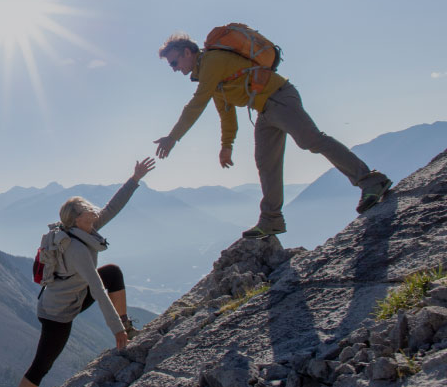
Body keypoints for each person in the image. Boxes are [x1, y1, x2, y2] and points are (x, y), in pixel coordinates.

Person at [153, 32, 391, 239]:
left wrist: (172, 138)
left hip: (278, 97)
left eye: (174, 63)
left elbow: (196, 104)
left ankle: (370, 181)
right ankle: (272, 220)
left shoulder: (211, 62)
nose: (175, 69)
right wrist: (227, 146)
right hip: (265, 109)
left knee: (311, 140)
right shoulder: (208, 74)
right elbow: (225, 112)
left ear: (187, 52)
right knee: (266, 163)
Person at [4, 157, 155, 387]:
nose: (94, 211)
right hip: (57, 313)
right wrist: (116, 330)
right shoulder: (77, 250)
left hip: (70, 297)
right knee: (42, 364)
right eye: (88, 209)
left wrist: (134, 179)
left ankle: (128, 325)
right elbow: (97, 289)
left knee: (113, 272)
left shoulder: (84, 230)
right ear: (77, 219)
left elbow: (112, 207)